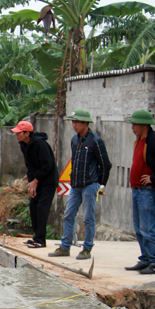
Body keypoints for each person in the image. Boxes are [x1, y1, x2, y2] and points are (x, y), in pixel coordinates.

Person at [50, 109, 112, 260]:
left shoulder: (96, 141)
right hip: (76, 185)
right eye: (73, 122)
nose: (74, 125)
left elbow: (105, 164)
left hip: (90, 185)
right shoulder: (74, 140)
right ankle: (65, 246)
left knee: (88, 218)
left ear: (85, 123)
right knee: (68, 214)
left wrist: (102, 184)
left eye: (77, 122)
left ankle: (87, 248)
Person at [124, 110, 155, 275]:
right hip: (136, 189)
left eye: (135, 124)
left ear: (144, 125)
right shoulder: (139, 140)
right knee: (138, 227)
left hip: (146, 191)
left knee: (147, 228)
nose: (133, 128)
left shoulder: (154, 140)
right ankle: (145, 259)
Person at [11, 120, 58, 249]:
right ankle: (36, 237)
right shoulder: (23, 144)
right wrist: (31, 183)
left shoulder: (40, 144)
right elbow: (29, 165)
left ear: (27, 134)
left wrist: (36, 180)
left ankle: (41, 240)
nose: (16, 135)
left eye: (19, 133)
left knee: (42, 208)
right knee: (33, 207)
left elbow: (47, 165)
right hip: (35, 180)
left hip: (48, 181)